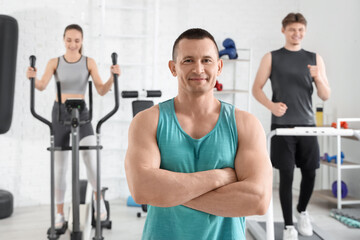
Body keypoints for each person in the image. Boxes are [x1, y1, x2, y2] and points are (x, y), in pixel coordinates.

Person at [125, 28, 272, 240]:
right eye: (188, 60)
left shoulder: (245, 124)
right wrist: (220, 177)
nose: (198, 68)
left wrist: (169, 192)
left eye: (206, 60)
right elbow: (142, 189)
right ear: (173, 68)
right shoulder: (147, 121)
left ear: (219, 66)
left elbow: (257, 200)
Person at [26, 24, 121, 229]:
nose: (72, 44)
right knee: (60, 168)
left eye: (77, 40)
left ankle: (98, 201)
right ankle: (59, 215)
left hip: (83, 113)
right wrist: (32, 78)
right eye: (69, 40)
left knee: (90, 160)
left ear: (82, 41)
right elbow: (41, 85)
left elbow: (102, 90)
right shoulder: (54, 62)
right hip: (60, 113)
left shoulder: (89, 62)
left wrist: (113, 77)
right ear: (63, 39)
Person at [252, 13, 330, 240]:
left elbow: (325, 95)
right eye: (292, 30)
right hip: (282, 125)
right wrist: (271, 105)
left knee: (310, 172)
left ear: (305, 31)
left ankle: (302, 212)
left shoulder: (314, 58)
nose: (297, 34)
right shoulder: (271, 57)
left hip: (307, 125)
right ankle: (288, 226)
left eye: (301, 30)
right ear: (283, 31)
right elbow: (256, 88)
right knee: (286, 176)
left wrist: (320, 78)